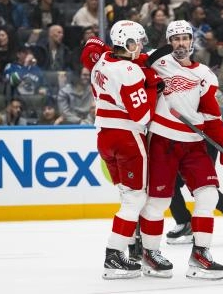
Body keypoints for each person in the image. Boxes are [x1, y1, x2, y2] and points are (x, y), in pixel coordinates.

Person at [139, 20, 223, 280]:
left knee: (207, 195)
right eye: (175, 39)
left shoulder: (205, 74)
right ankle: (150, 253)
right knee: (158, 201)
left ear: (192, 41)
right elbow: (131, 69)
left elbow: (211, 114)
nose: (180, 44)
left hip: (194, 143)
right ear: (168, 41)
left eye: (185, 38)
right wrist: (151, 82)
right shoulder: (156, 60)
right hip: (163, 140)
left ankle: (200, 255)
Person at [88, 20, 160, 279]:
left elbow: (91, 50)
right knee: (136, 198)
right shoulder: (130, 71)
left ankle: (127, 247)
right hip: (127, 136)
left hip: (104, 136)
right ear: (126, 43)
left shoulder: (101, 61)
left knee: (126, 195)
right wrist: (152, 85)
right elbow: (142, 115)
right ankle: (114, 254)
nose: (140, 46)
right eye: (136, 42)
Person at [166, 141, 223, 244]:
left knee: (201, 185)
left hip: (202, 143)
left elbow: (215, 126)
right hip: (179, 140)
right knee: (168, 181)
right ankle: (184, 222)